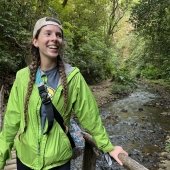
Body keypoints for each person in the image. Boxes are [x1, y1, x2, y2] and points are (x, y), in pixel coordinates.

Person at [0, 17, 128, 170]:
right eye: (48, 33)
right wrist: (2, 157)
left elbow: (90, 116)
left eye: (58, 35)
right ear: (35, 41)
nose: (54, 38)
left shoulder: (73, 77)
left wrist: (108, 147)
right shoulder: (22, 77)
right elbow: (11, 121)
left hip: (58, 161)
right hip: (25, 158)